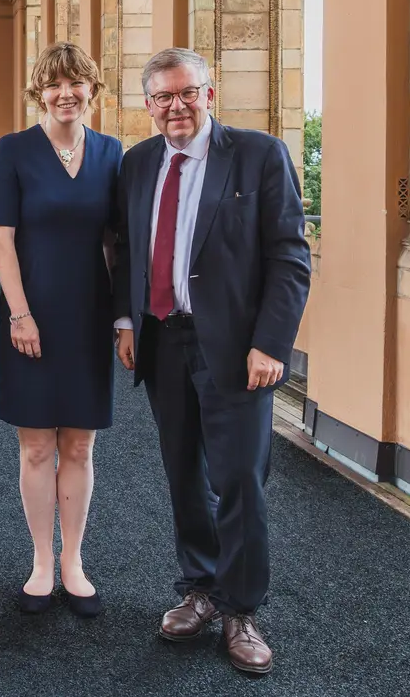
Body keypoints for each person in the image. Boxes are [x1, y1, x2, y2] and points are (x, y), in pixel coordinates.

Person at [112, 47, 310, 675]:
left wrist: (272, 344)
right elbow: (126, 247)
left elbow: (290, 259)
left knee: (240, 478)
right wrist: (126, 320)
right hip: (163, 339)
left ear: (209, 93)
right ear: (148, 106)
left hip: (235, 348)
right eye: (163, 97)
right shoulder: (138, 163)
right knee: (183, 473)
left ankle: (241, 609)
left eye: (186, 93)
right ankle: (197, 587)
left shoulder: (258, 155)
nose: (176, 106)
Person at [0, 42, 122, 618]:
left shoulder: (113, 153)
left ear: (93, 90)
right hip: (30, 316)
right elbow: (1, 237)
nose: (66, 93)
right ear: (38, 92)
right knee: (38, 444)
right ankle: (41, 561)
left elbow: (119, 242)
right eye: (54, 84)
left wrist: (123, 317)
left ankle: (74, 561)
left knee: (81, 444)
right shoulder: (14, 150)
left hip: (89, 316)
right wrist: (20, 313)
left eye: (77, 83)